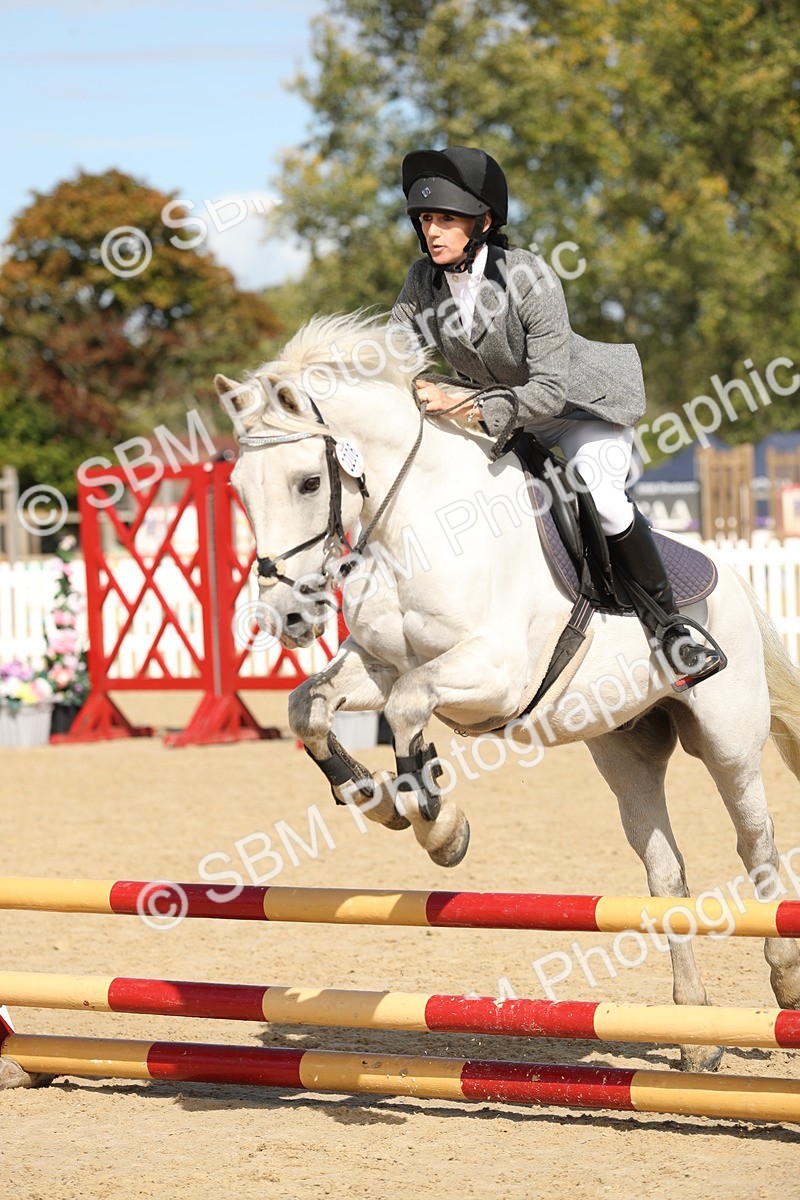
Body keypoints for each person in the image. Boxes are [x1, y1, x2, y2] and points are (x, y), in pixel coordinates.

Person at [391, 145, 723, 689]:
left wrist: (468, 403)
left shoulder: (529, 277)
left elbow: (547, 390)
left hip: (577, 408)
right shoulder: (422, 282)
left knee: (603, 495)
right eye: (426, 219)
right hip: (506, 412)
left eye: (446, 219)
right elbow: (394, 353)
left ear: (483, 223)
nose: (432, 231)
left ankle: (672, 631)